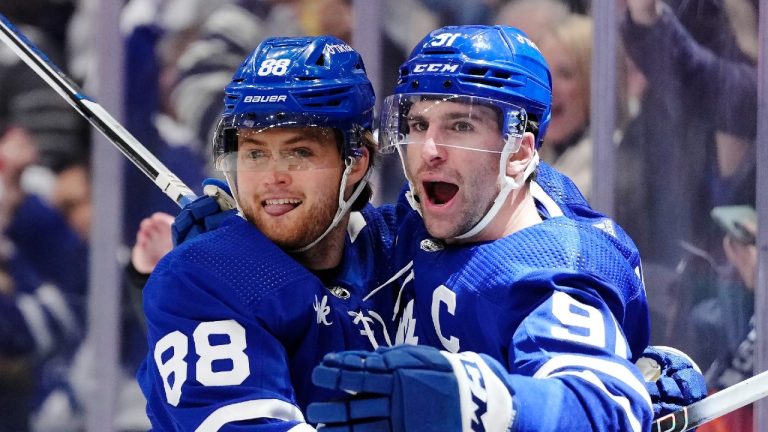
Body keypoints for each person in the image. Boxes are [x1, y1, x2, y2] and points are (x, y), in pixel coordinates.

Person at [306, 25, 659, 431]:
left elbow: (606, 408)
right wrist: (251, 223)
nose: (430, 151)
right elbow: (353, 244)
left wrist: (479, 400)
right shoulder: (435, 210)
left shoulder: (558, 270)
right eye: (420, 125)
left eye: (460, 126)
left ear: (518, 152)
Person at [136, 35, 400, 430]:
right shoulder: (198, 276)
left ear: (356, 162)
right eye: (255, 153)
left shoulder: (399, 247)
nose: (273, 178)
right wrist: (233, 272)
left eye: (300, 153)